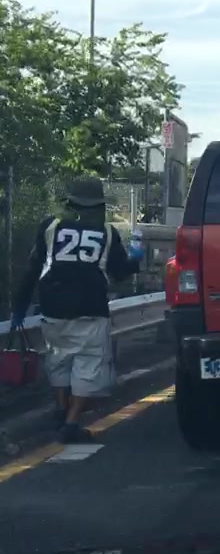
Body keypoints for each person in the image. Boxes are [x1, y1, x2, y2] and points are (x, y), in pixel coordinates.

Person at [9, 176, 140, 443]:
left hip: (52, 306)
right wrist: (136, 259)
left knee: (59, 359)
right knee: (88, 363)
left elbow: (33, 268)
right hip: (91, 307)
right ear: (99, 205)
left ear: (71, 203)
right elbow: (119, 273)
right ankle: (71, 422)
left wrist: (19, 307)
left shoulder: (50, 226)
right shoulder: (108, 233)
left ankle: (61, 407)